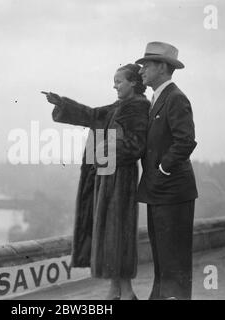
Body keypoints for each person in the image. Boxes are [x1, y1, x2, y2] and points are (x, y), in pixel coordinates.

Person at [43, 64, 150, 300]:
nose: (114, 85)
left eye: (119, 81)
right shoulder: (120, 106)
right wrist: (62, 103)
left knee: (117, 232)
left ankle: (126, 292)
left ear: (133, 82)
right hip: (107, 177)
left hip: (120, 180)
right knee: (110, 233)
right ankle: (116, 289)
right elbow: (91, 115)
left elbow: (136, 145)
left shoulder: (138, 108)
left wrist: (107, 149)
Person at [135, 42, 198, 300]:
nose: (141, 71)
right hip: (158, 192)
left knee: (173, 260)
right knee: (163, 258)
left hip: (172, 192)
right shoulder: (157, 98)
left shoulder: (175, 97)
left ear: (162, 67)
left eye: (146, 65)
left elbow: (186, 140)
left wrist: (161, 169)